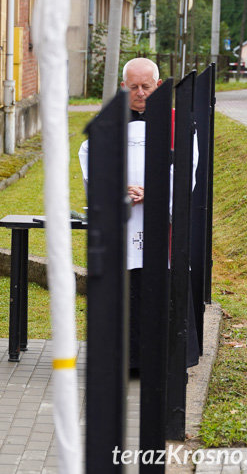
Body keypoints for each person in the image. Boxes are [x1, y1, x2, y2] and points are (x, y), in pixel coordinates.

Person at [78, 57, 199, 370]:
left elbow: (188, 171)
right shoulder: (107, 124)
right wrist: (120, 190)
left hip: (163, 225)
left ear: (159, 86)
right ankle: (126, 360)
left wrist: (156, 194)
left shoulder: (178, 123)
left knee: (163, 283)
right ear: (123, 87)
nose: (141, 92)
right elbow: (92, 166)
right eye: (134, 86)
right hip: (125, 222)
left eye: (147, 86)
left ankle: (168, 359)